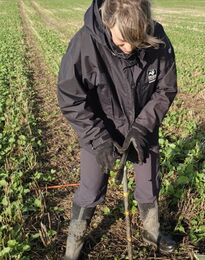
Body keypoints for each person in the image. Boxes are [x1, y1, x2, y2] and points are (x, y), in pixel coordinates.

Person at [56, 0, 178, 258]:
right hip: (100, 129)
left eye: (138, 42)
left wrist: (142, 128)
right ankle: (73, 246)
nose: (130, 49)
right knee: (90, 188)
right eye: (122, 42)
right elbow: (71, 97)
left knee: (148, 181)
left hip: (142, 127)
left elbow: (165, 89)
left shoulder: (159, 38)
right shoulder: (84, 45)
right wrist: (98, 139)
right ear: (107, 23)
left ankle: (151, 231)